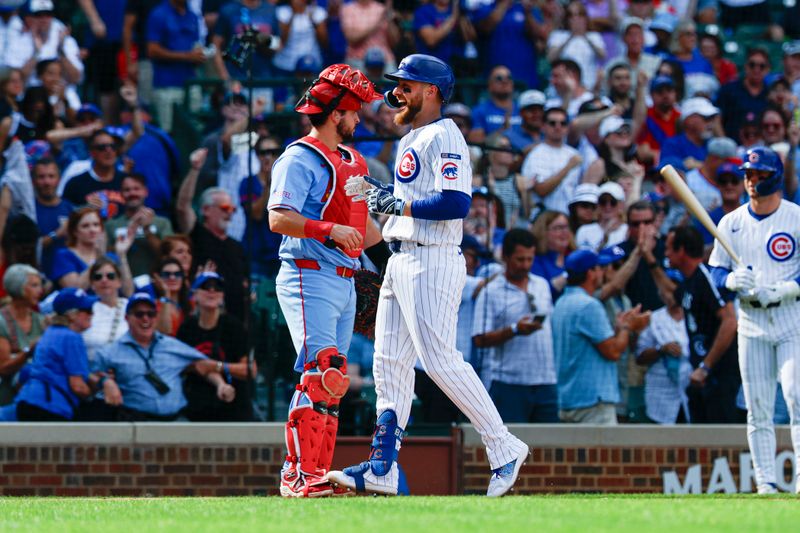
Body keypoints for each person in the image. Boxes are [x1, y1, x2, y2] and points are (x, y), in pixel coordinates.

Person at [328, 54, 529, 498]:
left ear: (432, 91)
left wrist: (395, 204)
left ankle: (503, 446)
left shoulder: (446, 134)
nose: (397, 91)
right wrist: (382, 199)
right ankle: (382, 465)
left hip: (432, 258)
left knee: (437, 359)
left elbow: (456, 203)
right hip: (403, 258)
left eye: (407, 84)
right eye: (398, 84)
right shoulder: (414, 137)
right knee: (387, 363)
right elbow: (406, 202)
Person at [266, 63, 385, 497]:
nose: (358, 119)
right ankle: (297, 474)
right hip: (306, 272)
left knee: (334, 384)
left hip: (346, 277)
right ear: (336, 113)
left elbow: (363, 221)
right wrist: (327, 230)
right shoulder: (299, 156)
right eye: (354, 112)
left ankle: (317, 473)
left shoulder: (354, 160)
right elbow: (278, 217)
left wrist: (387, 266)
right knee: (323, 371)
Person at [708, 146, 800, 494]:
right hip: (751, 322)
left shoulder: (795, 217)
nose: (751, 180)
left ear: (773, 177)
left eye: (758, 175)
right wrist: (731, 281)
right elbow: (716, 271)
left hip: (792, 319)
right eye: (748, 174)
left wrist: (787, 289)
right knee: (758, 406)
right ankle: (766, 482)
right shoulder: (731, 223)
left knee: (795, 396)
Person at [92, 292, 235, 421]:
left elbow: (203, 365)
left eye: (151, 314)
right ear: (127, 318)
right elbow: (90, 375)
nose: (145, 318)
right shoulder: (111, 352)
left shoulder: (172, 345)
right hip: (136, 422)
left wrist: (221, 385)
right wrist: (105, 381)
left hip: (175, 420)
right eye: (139, 314)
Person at [551, 248, 650, 424]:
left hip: (569, 400)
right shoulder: (589, 305)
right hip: (592, 403)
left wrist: (619, 327)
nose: (602, 272)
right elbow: (613, 352)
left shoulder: (561, 303)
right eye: (598, 268)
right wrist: (628, 327)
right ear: (590, 273)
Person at [472, 229, 557, 423]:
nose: (525, 265)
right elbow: (478, 339)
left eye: (530, 259)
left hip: (546, 381)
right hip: (509, 383)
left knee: (550, 448)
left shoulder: (541, 285)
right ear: (505, 256)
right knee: (512, 449)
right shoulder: (490, 292)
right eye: (520, 260)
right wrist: (514, 330)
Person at [666, 225, 741, 425]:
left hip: (720, 375)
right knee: (703, 442)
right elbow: (670, 293)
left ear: (681, 250)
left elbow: (730, 321)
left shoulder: (706, 277)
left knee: (722, 443)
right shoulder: (689, 282)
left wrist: (706, 367)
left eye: (669, 249)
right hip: (701, 375)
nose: (666, 254)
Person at [178, 272, 255, 421]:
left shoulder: (234, 327)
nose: (212, 291)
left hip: (234, 408)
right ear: (194, 295)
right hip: (196, 409)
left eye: (217, 288)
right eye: (205, 287)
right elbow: (184, 365)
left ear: (222, 296)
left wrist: (216, 366)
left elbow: (250, 370)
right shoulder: (187, 328)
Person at [14, 288, 99, 421]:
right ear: (72, 315)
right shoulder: (71, 337)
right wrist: (97, 390)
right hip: (49, 407)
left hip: (28, 401)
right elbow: (77, 386)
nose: (92, 314)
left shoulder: (51, 331)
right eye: (87, 311)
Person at [635, 279, 691, 424]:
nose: (668, 295)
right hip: (660, 391)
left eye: (672, 290)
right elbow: (639, 357)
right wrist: (661, 349)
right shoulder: (654, 319)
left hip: (690, 389)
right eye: (664, 290)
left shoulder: (694, 315)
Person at [105, 173, 174, 277]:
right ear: (121, 194)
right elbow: (106, 257)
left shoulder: (162, 223)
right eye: (127, 190)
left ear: (145, 192)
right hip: (123, 282)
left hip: (156, 282)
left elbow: (169, 256)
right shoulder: (111, 225)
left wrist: (147, 231)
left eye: (136, 189)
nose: (132, 193)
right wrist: (128, 234)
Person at [51, 207, 133, 292]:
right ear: (75, 231)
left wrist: (121, 254)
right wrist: (99, 257)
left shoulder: (111, 257)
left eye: (96, 225)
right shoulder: (64, 255)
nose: (92, 230)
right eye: (85, 226)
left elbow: (128, 292)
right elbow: (74, 290)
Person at [521, 107, 583, 215]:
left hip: (570, 217)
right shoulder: (536, 154)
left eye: (563, 123)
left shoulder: (574, 154)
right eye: (552, 123)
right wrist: (568, 167)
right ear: (543, 126)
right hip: (544, 218)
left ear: (567, 127)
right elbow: (542, 190)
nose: (558, 127)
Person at [0, 264, 45, 407]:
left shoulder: (41, 320)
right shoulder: (2, 321)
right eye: (34, 285)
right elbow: (3, 367)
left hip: (37, 395)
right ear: (18, 287)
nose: (40, 291)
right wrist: (27, 352)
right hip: (7, 396)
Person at [82, 258, 129, 362]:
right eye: (98, 277)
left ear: (119, 282)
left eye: (110, 276)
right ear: (92, 285)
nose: (104, 280)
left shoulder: (131, 307)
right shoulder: (84, 310)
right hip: (92, 372)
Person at [152, 257, 189, 336]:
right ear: (158, 278)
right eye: (166, 274)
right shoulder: (153, 305)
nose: (172, 278)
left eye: (177, 274)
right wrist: (166, 293)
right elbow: (164, 332)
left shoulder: (190, 304)